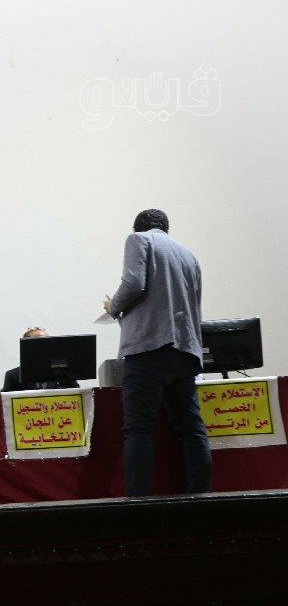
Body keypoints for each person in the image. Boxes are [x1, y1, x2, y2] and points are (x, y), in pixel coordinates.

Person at [104, 208, 210, 497]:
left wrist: (113, 307)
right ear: (166, 228)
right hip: (185, 352)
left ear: (138, 227)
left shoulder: (139, 240)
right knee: (191, 430)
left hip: (149, 348)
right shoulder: (189, 255)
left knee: (139, 430)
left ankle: (138, 503)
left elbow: (133, 283)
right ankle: (201, 497)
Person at [0, 328, 80, 392]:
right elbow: (4, 402)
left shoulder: (61, 372)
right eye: (41, 342)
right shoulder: (13, 376)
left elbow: (76, 396)